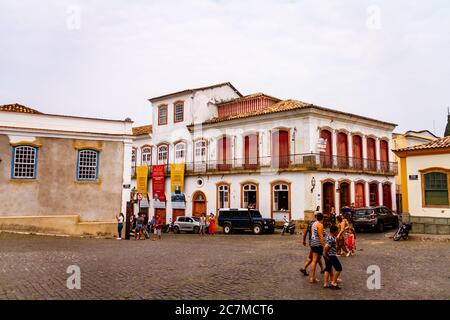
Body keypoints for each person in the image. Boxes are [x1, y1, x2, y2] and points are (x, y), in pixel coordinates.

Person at [323, 224, 343, 290]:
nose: (337, 232)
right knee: (339, 268)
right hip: (331, 255)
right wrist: (326, 254)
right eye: (337, 231)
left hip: (327, 255)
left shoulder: (328, 237)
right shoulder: (332, 239)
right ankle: (333, 283)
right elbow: (326, 246)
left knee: (328, 268)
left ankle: (325, 284)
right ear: (334, 231)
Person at [309, 213, 325, 284]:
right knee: (315, 260)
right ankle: (312, 278)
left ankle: (312, 277)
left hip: (313, 242)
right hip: (318, 243)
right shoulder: (320, 225)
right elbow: (321, 236)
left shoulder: (314, 223)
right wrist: (323, 245)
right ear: (322, 218)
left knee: (315, 260)